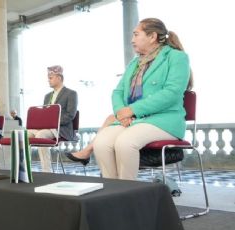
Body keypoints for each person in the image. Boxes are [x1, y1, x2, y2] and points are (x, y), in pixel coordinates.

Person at [66, 18, 193, 180]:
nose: (132, 40)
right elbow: (118, 91)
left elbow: (171, 93)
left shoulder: (176, 57)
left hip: (163, 121)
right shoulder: (135, 62)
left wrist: (132, 110)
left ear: (152, 36)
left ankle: (127, 193)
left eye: (136, 34)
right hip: (133, 120)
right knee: (101, 143)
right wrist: (121, 112)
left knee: (125, 142)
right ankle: (113, 190)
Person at [28, 65, 78, 172]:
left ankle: (47, 171)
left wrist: (53, 123)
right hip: (46, 128)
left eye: (51, 77)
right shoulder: (47, 96)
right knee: (23, 135)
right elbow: (45, 114)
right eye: (48, 77)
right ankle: (24, 168)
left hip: (61, 129)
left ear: (59, 78)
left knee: (41, 135)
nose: (48, 80)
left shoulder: (71, 94)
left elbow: (70, 115)